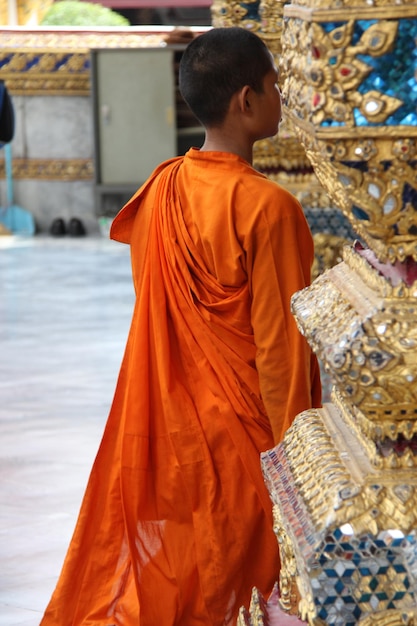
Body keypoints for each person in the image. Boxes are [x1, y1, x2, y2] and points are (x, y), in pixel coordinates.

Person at [40, 27, 321, 626]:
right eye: (275, 86)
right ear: (247, 101)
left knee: (188, 588)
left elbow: (160, 314)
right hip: (244, 444)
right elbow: (281, 352)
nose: (281, 98)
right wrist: (299, 467)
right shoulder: (270, 209)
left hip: (167, 434)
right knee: (246, 596)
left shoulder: (161, 188)